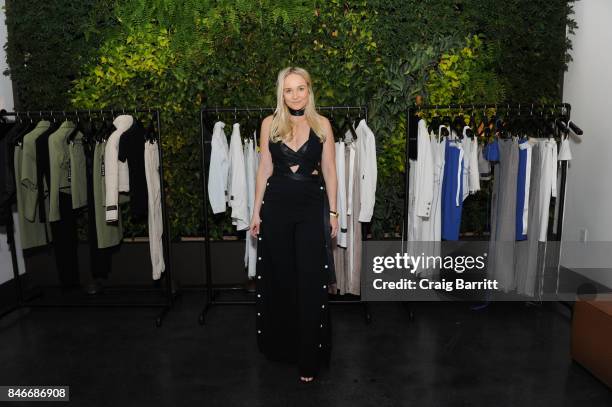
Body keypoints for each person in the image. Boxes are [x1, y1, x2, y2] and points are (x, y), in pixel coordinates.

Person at [249, 66, 338, 383]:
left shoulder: (323, 124)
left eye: (300, 88)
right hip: (276, 207)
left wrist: (334, 212)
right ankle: (284, 348)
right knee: (282, 278)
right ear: (281, 94)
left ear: (309, 90)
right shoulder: (269, 124)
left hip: (311, 207)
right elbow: (264, 169)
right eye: (289, 90)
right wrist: (256, 211)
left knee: (310, 280)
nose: (295, 94)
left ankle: (308, 357)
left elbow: (329, 170)